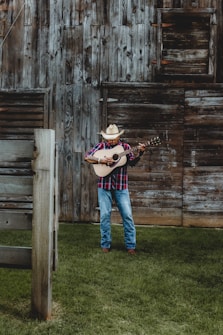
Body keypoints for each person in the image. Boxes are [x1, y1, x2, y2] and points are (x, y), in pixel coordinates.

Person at [84, 124, 145, 254]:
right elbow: (87, 156)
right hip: (104, 186)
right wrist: (101, 160)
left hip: (121, 187)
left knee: (127, 215)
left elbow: (132, 162)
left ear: (118, 136)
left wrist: (140, 152)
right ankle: (105, 244)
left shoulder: (126, 148)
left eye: (113, 138)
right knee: (105, 215)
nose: (110, 141)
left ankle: (130, 246)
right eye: (108, 138)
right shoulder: (101, 146)